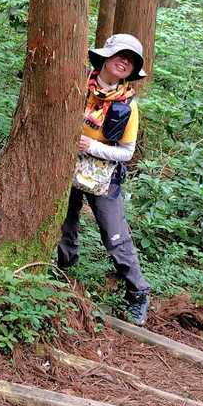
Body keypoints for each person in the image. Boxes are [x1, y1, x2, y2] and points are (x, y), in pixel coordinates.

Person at [56, 33, 152, 325]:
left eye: (131, 60)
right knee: (64, 220)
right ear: (106, 57)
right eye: (120, 55)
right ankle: (63, 271)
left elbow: (127, 152)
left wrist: (92, 146)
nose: (124, 62)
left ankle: (138, 292)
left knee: (114, 234)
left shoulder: (128, 105)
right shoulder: (77, 84)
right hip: (66, 164)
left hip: (104, 175)